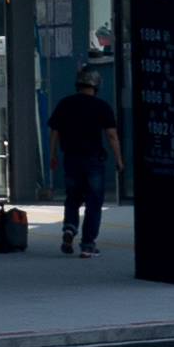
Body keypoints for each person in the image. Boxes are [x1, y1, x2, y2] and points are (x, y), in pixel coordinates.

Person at [45, 64, 121, 257]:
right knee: (93, 203)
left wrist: (52, 154)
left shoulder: (65, 104)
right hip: (93, 160)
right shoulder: (101, 106)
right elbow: (111, 135)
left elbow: (54, 132)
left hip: (71, 159)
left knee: (73, 198)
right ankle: (88, 245)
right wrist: (118, 159)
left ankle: (70, 227)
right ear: (96, 85)